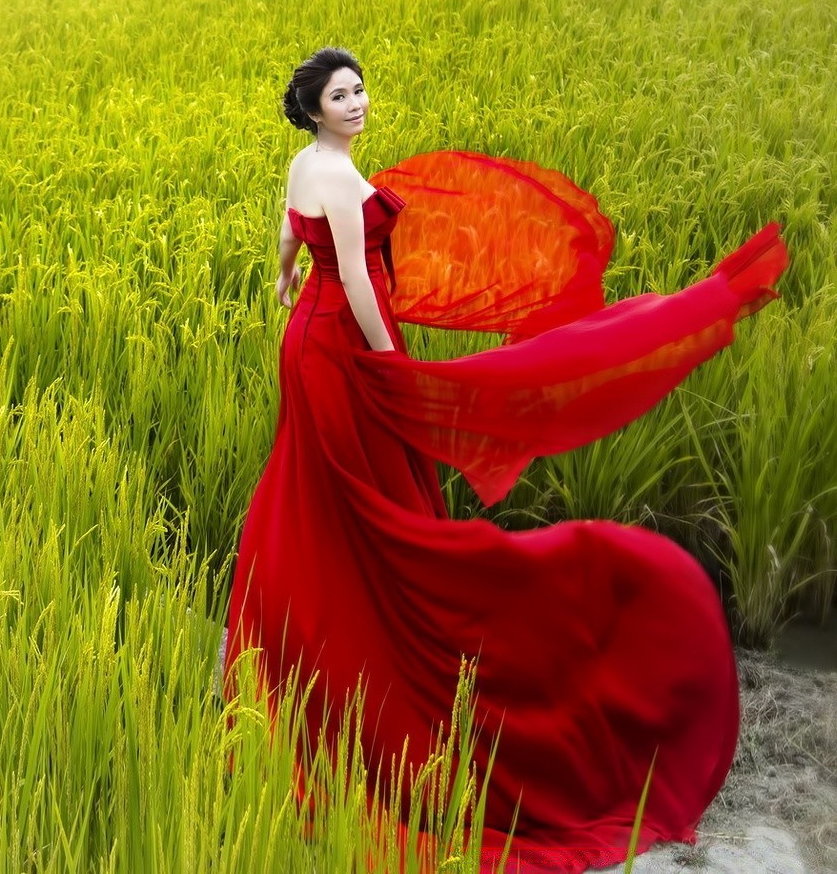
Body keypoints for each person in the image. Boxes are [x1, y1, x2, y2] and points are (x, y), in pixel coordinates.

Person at [225, 47, 789, 873]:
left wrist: (282, 286)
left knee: (332, 503)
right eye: (339, 96)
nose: (357, 102)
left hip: (306, 343)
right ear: (312, 108)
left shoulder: (305, 166)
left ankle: (309, 661)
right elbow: (354, 273)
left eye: (359, 89)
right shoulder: (342, 181)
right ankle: (369, 662)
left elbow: (288, 240)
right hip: (345, 351)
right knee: (372, 512)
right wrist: (398, 370)